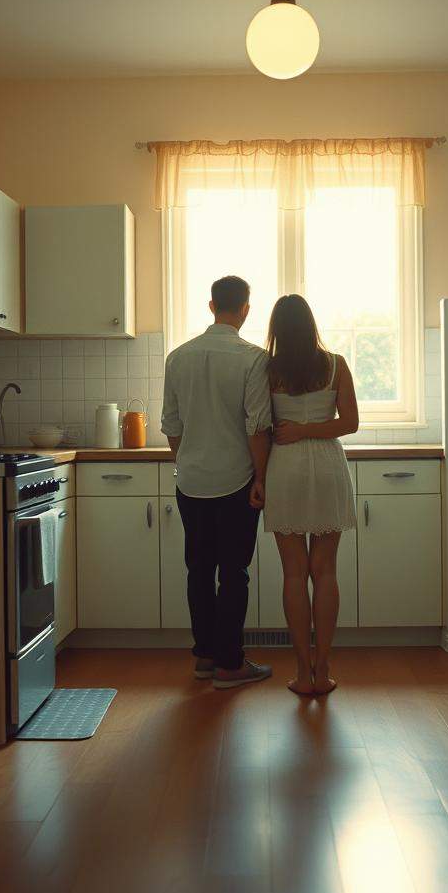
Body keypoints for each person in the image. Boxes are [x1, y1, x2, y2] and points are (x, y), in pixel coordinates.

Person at [160, 275, 274, 689]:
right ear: (246, 309)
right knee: (234, 573)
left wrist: (189, 460)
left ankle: (205, 657)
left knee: (198, 570)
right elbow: (257, 426)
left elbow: (171, 425)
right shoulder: (253, 358)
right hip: (236, 481)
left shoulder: (178, 357)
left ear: (211, 306)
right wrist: (261, 478)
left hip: (191, 481)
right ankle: (230, 664)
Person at [263, 294, 359, 695]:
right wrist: (311, 429)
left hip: (285, 469)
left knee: (293, 573)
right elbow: (350, 423)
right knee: (326, 571)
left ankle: (302, 672)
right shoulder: (335, 365)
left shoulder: (266, 371)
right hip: (327, 470)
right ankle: (323, 668)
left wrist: (294, 431)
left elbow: (257, 425)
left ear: (277, 331)